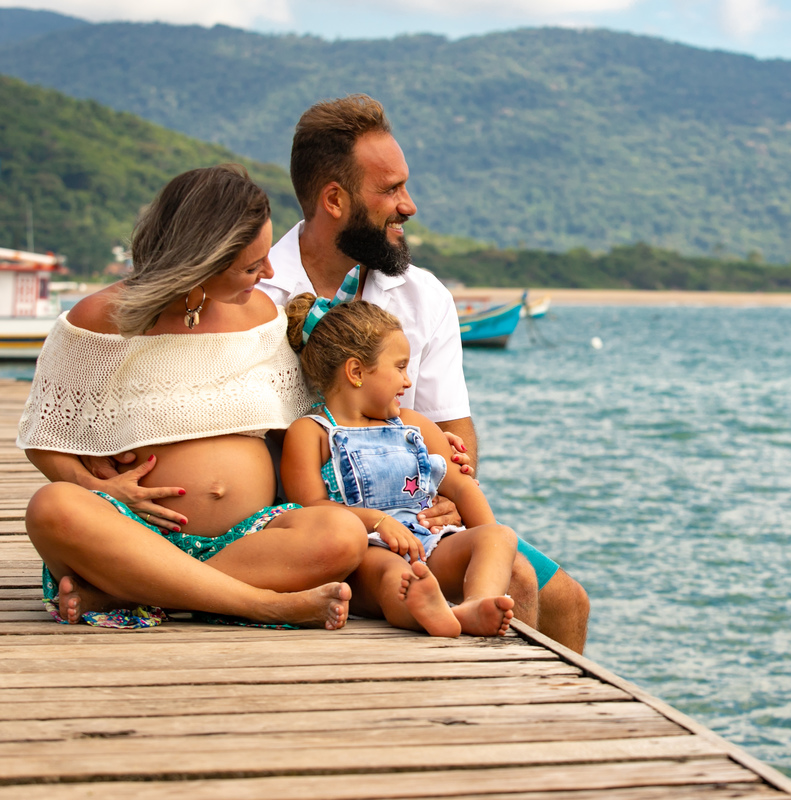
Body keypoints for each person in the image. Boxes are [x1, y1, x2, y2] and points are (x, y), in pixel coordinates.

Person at [259, 94, 590, 651]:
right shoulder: (257, 294)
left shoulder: (423, 294)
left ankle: (537, 730)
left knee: (570, 600)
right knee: (520, 578)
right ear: (334, 199)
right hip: (316, 520)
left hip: (415, 512)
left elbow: (452, 431)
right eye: (389, 190)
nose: (408, 205)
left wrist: (449, 497)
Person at [18, 164, 366, 630]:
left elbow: (315, 427)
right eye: (250, 265)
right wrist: (97, 488)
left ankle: (130, 592)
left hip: (249, 539)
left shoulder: (264, 319)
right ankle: (260, 605)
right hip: (133, 532)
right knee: (52, 507)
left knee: (342, 534)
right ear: (202, 260)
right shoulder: (99, 320)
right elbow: (46, 436)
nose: (268, 273)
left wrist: (427, 454)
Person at [281, 295, 517, 637]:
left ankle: (475, 605)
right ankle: (421, 609)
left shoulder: (413, 425)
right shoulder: (312, 432)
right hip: (363, 555)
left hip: (427, 543)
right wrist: (378, 522)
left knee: (500, 536)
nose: (407, 381)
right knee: (394, 573)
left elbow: (463, 488)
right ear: (357, 372)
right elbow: (309, 510)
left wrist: (485, 539)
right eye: (400, 367)